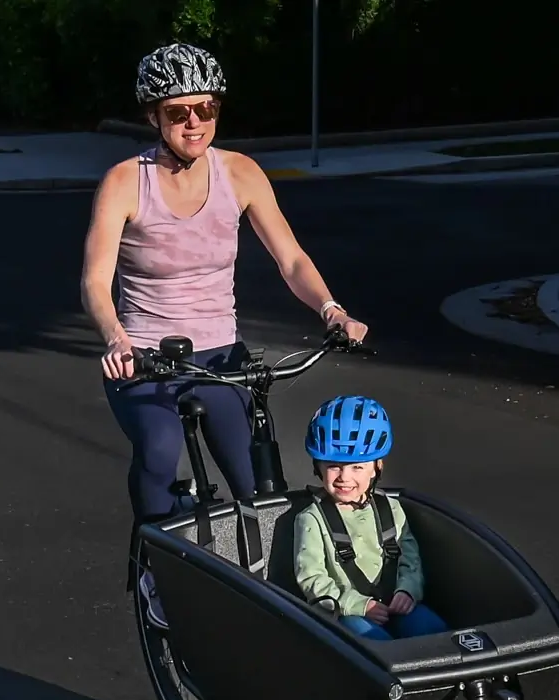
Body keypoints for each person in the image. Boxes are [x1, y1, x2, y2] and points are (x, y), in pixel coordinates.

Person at [81, 43, 368, 626]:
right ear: (153, 117)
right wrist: (116, 337)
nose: (194, 123)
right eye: (180, 111)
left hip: (221, 355)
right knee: (159, 451)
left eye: (206, 110)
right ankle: (154, 566)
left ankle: (285, 599)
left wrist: (332, 311)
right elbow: (95, 279)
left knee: (257, 481)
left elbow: (291, 260)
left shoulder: (240, 173)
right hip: (145, 357)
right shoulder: (124, 183)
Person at [293, 396, 448, 642]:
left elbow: (410, 558)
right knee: (374, 647)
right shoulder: (312, 519)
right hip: (344, 611)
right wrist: (358, 605)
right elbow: (312, 578)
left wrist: (408, 590)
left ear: (377, 467)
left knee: (434, 633)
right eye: (334, 466)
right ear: (317, 467)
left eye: (357, 467)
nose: (344, 477)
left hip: (393, 601)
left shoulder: (391, 509)